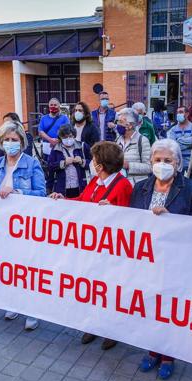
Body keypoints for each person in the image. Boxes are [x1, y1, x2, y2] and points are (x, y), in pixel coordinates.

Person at [130, 139, 192, 380]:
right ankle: (153, 350)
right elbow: (129, 221)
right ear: (151, 162)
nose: (162, 164)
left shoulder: (191, 189)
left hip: (176, 261)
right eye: (158, 160)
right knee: (150, 306)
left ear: (178, 164)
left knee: (169, 308)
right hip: (146, 258)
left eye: (168, 161)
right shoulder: (140, 187)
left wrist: (173, 220)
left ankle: (169, 354)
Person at [49, 141, 133, 350]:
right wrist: (63, 199)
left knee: (110, 288)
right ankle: (94, 325)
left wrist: (112, 209)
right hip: (92, 246)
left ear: (101, 164)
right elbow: (83, 200)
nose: (92, 163)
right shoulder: (96, 181)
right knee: (94, 286)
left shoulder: (123, 185)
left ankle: (112, 329)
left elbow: (129, 217)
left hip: (111, 248)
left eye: (95, 160)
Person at [0, 121, 46, 330]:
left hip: (26, 226)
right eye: (7, 140)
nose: (11, 143)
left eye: (14, 140)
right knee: (9, 267)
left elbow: (41, 193)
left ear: (21, 141)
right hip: (2, 226)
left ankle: (32, 310)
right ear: (1, 142)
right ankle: (13, 303)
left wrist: (18, 193)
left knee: (27, 268)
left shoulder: (31, 164)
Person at [47, 124, 90, 198]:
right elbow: (50, 166)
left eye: (70, 136)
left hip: (80, 186)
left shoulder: (82, 146)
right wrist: (63, 163)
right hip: (62, 188)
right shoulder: (55, 149)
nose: (68, 139)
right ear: (60, 137)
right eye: (65, 137)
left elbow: (93, 164)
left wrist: (82, 161)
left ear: (74, 136)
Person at [38, 98, 70, 191]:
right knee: (48, 169)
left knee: (59, 167)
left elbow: (68, 131)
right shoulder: (44, 118)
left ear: (59, 106)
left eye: (55, 105)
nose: (53, 107)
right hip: (47, 148)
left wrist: (58, 141)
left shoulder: (64, 118)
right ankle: (48, 189)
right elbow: (40, 132)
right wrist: (50, 140)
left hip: (60, 148)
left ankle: (60, 189)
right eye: (51, 105)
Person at [115, 108, 151, 185]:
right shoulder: (117, 140)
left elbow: (149, 167)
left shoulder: (142, 140)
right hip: (120, 185)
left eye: (121, 122)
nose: (117, 124)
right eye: (118, 121)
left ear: (130, 125)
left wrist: (129, 166)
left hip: (137, 186)